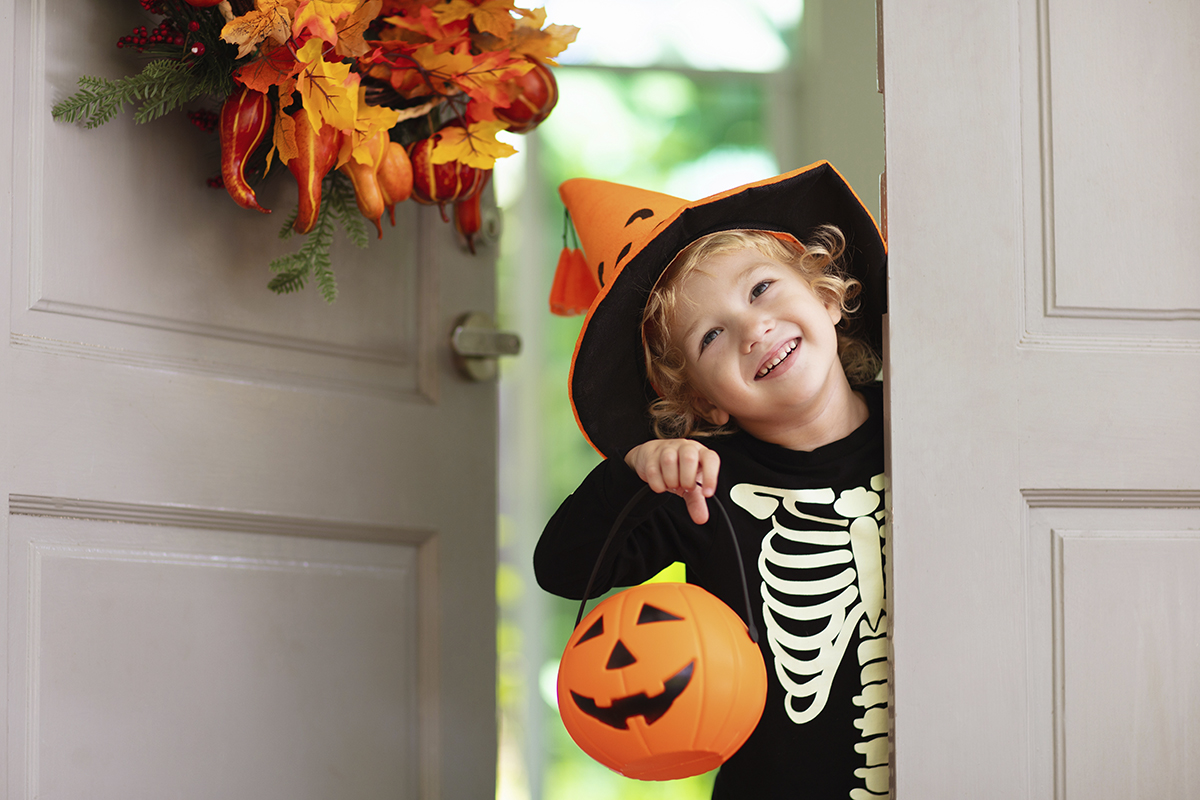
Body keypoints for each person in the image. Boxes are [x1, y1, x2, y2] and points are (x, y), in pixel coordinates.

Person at [535, 162, 889, 799]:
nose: (754, 329)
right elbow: (563, 569)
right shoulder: (700, 489)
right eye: (712, 336)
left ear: (828, 297)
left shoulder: (930, 433)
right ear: (701, 404)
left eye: (760, 290)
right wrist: (633, 474)